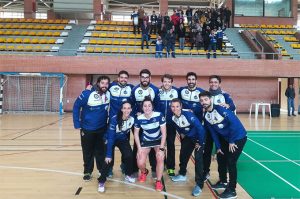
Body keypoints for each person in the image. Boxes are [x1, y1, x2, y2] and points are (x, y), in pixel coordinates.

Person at [200, 91, 247, 199]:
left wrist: (231, 141)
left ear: (211, 99)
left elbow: (234, 124)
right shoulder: (206, 115)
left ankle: (232, 190)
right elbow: (213, 132)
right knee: (221, 157)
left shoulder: (221, 109)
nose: (204, 102)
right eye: (201, 100)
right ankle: (223, 181)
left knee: (231, 161)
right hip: (226, 139)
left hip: (238, 137)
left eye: (206, 99)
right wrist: (219, 146)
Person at [73, 75, 110, 181]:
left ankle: (100, 170)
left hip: (101, 129)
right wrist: (77, 123)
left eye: (107, 83)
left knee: (100, 151)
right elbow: (76, 106)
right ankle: (87, 171)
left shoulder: (108, 94)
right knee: (87, 151)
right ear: (98, 83)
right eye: (102, 83)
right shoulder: (87, 94)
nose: (105, 85)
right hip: (87, 129)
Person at [203, 75, 236, 184]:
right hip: (208, 127)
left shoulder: (225, 95)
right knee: (207, 151)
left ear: (219, 84)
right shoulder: (205, 95)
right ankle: (206, 172)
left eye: (215, 82)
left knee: (221, 152)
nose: (213, 84)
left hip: (221, 129)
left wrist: (228, 105)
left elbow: (232, 106)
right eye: (211, 82)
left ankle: (223, 176)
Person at [170, 98, 206, 197]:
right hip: (189, 137)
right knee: (183, 154)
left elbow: (200, 128)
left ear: (181, 106)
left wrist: (200, 142)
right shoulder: (173, 118)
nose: (175, 108)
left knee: (198, 160)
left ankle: (199, 184)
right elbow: (179, 127)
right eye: (173, 106)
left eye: (177, 106)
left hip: (199, 137)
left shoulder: (188, 114)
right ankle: (182, 174)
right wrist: (182, 133)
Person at [98, 102, 136, 192]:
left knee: (129, 155)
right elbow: (111, 138)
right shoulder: (114, 119)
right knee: (108, 160)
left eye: (128, 108)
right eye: (124, 108)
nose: (126, 110)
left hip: (122, 139)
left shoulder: (132, 119)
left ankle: (128, 175)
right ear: (121, 109)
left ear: (131, 109)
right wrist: (108, 154)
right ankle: (101, 181)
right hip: (110, 138)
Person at [134, 97, 166, 191]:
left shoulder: (159, 115)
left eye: (149, 106)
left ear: (152, 107)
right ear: (142, 108)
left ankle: (159, 181)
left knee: (160, 157)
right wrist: (139, 149)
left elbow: (164, 133)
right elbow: (136, 133)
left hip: (158, 140)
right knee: (140, 162)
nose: (147, 108)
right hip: (146, 140)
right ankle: (144, 172)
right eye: (145, 106)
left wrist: (161, 148)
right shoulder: (139, 118)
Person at [131, 69, 160, 176]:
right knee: (136, 145)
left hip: (151, 122)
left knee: (153, 145)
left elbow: (157, 106)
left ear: (150, 78)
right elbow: (132, 105)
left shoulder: (155, 90)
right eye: (142, 77)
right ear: (139, 78)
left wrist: (153, 118)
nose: (144, 79)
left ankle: (153, 169)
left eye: (146, 77)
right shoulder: (134, 90)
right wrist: (136, 115)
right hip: (139, 122)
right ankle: (135, 169)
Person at [107, 70, 134, 176]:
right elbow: (100, 86)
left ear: (127, 79)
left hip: (125, 123)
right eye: (121, 77)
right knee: (111, 145)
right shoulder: (111, 86)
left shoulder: (131, 88)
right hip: (113, 122)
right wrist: (91, 87)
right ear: (118, 78)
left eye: (125, 78)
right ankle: (109, 168)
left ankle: (124, 165)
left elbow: (134, 102)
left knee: (125, 146)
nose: (123, 79)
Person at [157, 74, 178, 176]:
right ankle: (161, 163)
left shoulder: (176, 92)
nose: (167, 83)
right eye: (165, 81)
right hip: (159, 124)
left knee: (170, 145)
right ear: (162, 82)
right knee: (160, 145)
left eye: (169, 81)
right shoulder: (158, 92)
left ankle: (171, 167)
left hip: (171, 123)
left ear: (171, 82)